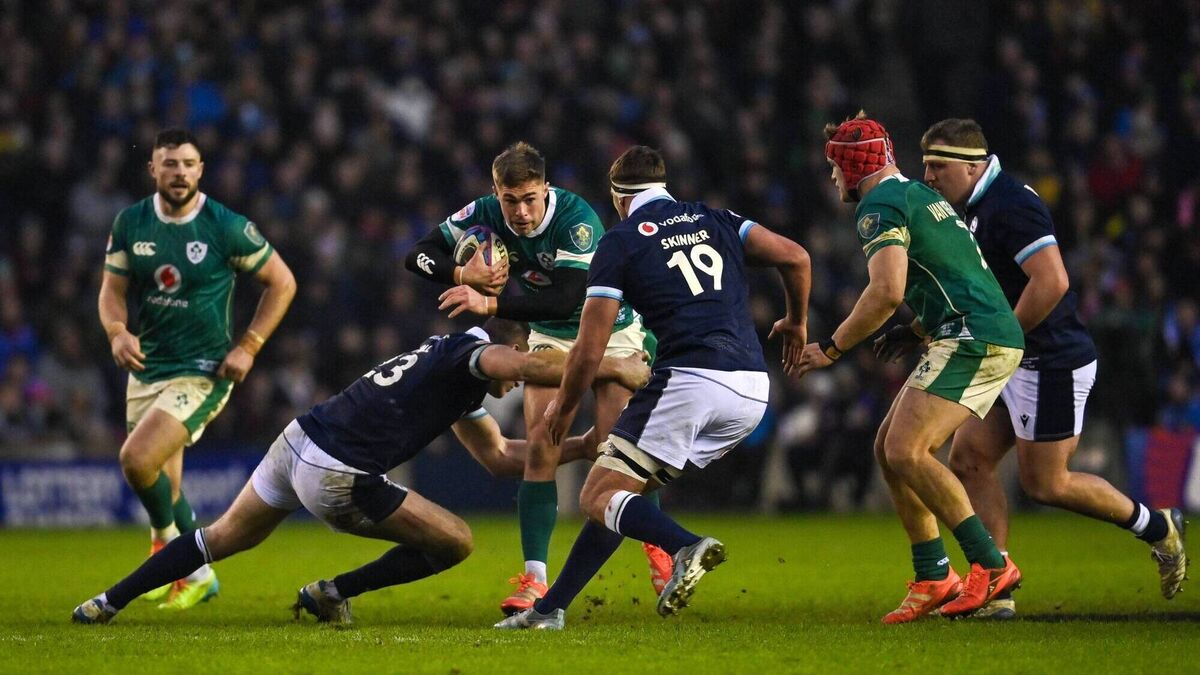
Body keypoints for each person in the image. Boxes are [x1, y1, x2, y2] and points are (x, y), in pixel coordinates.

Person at [71, 319, 651, 625]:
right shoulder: (472, 354)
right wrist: (612, 366)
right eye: (524, 364)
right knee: (457, 541)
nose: (522, 379)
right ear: (512, 345)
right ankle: (333, 592)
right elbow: (520, 362)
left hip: (297, 441)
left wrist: (583, 445)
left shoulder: (452, 372)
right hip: (337, 471)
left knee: (218, 537)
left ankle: (106, 602)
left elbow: (499, 457)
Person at [496, 145, 811, 630]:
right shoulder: (717, 218)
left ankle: (685, 545)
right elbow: (796, 256)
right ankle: (549, 610)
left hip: (691, 381)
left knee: (594, 496)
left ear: (618, 198)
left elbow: (589, 348)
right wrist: (796, 321)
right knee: (621, 495)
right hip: (751, 388)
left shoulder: (620, 241)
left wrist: (564, 405)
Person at [891, 118, 1187, 618]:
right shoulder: (972, 207)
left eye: (938, 165)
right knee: (970, 460)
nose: (929, 176)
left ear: (972, 167)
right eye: (925, 165)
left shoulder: (1011, 203)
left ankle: (1159, 527)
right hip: (1010, 357)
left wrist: (1001, 337)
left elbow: (1051, 281)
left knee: (1047, 484)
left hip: (1050, 360)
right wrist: (922, 326)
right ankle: (995, 582)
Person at [404, 142, 670, 614]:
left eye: (530, 199)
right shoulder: (483, 212)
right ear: (496, 193)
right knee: (542, 441)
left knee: (619, 454)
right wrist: (461, 271)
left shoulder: (576, 218)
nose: (521, 212)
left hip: (611, 329)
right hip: (549, 335)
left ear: (545, 189)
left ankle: (658, 543)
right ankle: (534, 580)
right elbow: (418, 255)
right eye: (511, 201)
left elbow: (566, 297)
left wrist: (488, 301)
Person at [797, 112, 1026, 624]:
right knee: (889, 449)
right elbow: (952, 272)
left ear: (854, 166)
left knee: (907, 449)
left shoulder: (880, 204)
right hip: (966, 329)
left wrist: (831, 348)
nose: (832, 177)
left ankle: (991, 565)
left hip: (974, 336)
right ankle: (933, 576)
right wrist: (916, 328)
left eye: (835, 166)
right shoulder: (920, 196)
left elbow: (886, 290)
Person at [99, 129, 296, 610]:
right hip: (148, 367)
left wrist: (249, 345)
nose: (180, 172)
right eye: (169, 163)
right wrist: (118, 332)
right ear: (153, 169)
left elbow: (283, 282)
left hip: (204, 370)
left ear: (201, 170)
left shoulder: (225, 226)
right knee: (165, 486)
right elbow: (112, 291)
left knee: (136, 459)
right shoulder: (131, 223)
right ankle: (199, 573)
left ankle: (163, 546)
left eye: (188, 164)